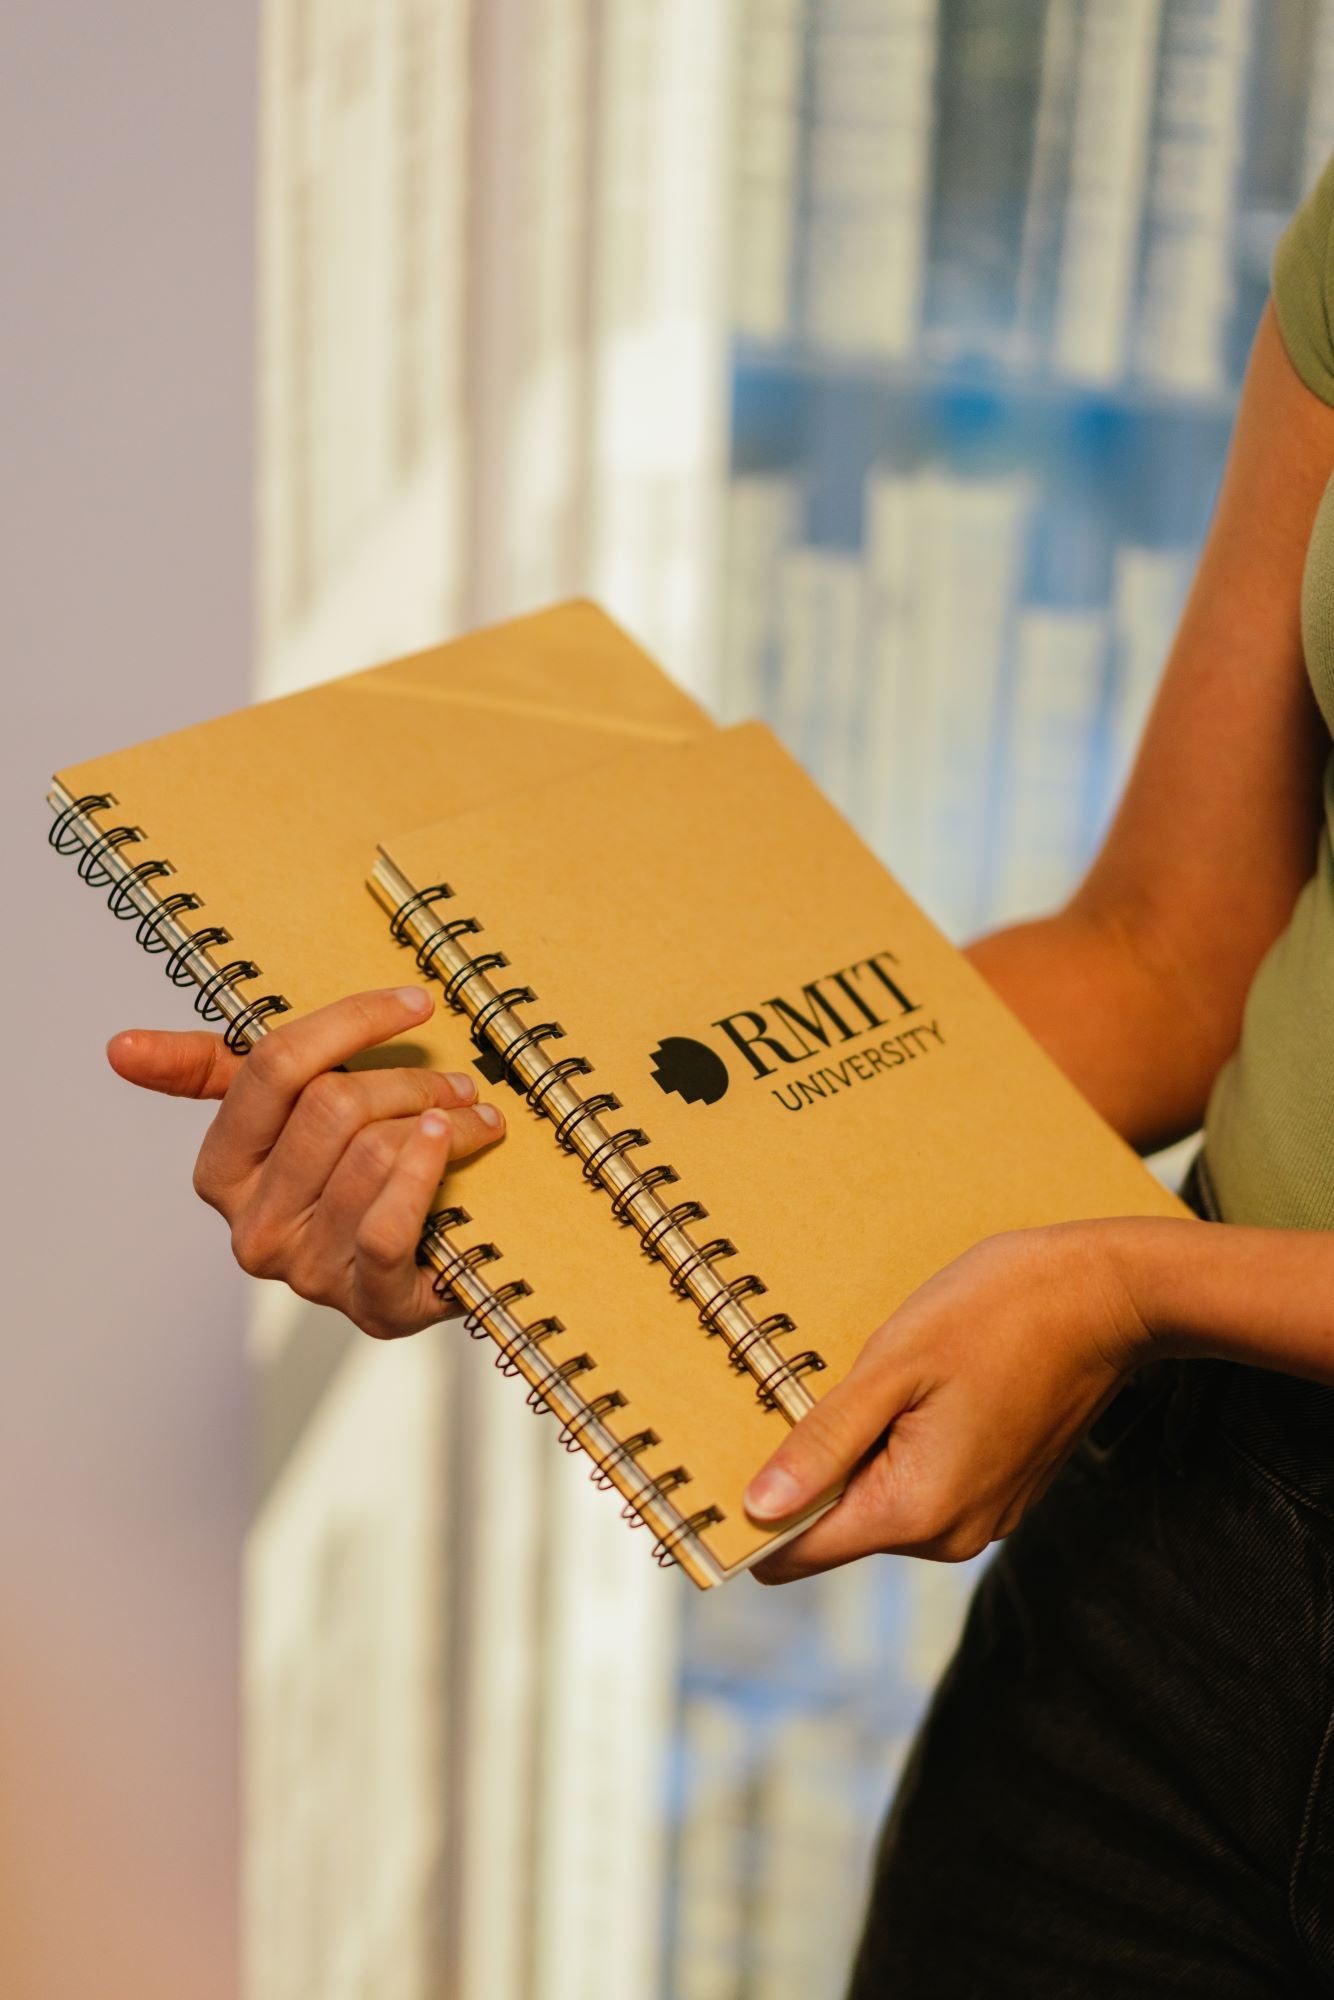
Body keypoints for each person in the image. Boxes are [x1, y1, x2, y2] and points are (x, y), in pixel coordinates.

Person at [107, 162, 1334, 1996]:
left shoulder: (1135, 1288)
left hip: (1173, 1325)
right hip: (1179, 1555)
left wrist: (1134, 1283)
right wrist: (528, 1161)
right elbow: (1169, 953)